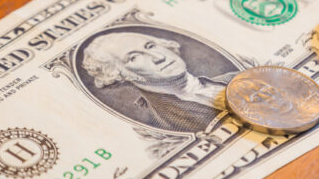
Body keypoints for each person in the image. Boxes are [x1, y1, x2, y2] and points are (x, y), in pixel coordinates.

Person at [82, 31, 234, 132]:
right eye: (134, 57)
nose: (159, 57)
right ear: (120, 75)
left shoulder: (234, 77)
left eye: (151, 46)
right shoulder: (164, 125)